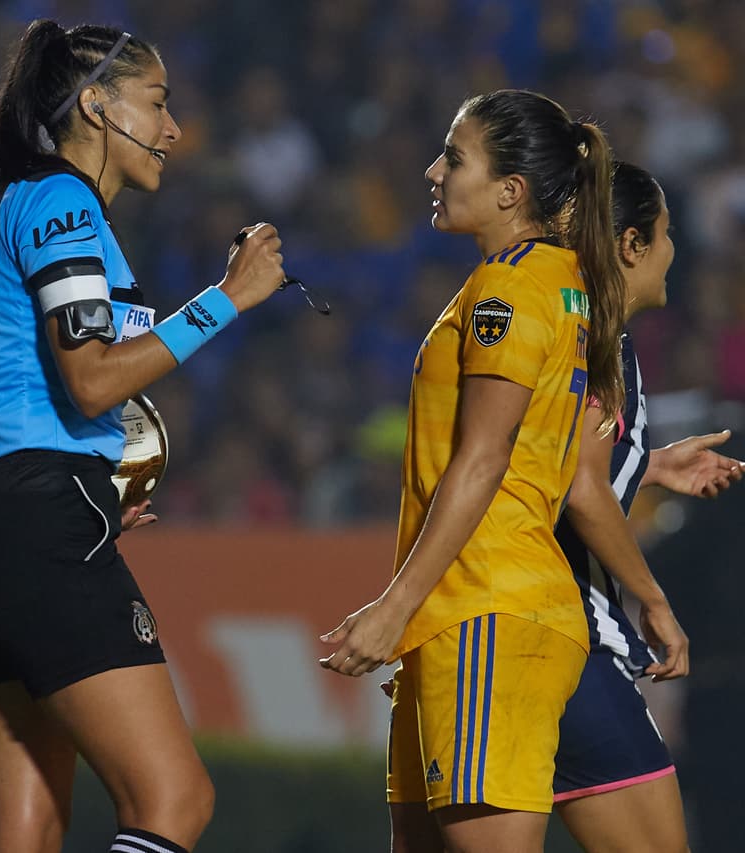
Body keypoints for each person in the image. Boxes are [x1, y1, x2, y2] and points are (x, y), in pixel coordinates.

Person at [0, 20, 286, 853]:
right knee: (173, 798)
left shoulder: (9, 200)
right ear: (96, 105)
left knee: (25, 826)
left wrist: (54, 472)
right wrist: (226, 298)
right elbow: (90, 378)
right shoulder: (63, 202)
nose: (173, 129)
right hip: (33, 526)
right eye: (156, 103)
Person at [316, 89, 631, 853]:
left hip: (485, 602)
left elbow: (484, 456)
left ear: (510, 190)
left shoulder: (510, 286)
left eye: (454, 157)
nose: (433, 170)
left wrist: (393, 606)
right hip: (480, 605)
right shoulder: (558, 282)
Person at [553, 162, 743, 851]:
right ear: (631, 245)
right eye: (663, 235)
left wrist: (652, 465)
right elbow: (579, 487)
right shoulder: (593, 338)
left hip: (530, 632)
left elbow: (554, 465)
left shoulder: (564, 321)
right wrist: (652, 598)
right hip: (553, 630)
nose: (672, 251)